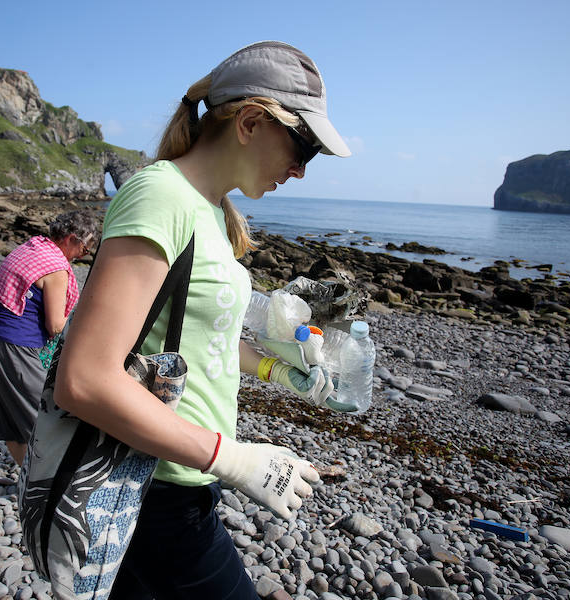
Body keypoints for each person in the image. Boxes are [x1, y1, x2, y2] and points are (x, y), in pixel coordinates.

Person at [53, 41, 351, 599]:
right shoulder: (160, 196)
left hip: (180, 474)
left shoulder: (212, 211)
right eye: (303, 147)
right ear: (251, 122)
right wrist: (234, 459)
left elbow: (198, 336)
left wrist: (277, 370)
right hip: (151, 484)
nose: (300, 171)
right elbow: (84, 379)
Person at [0, 210, 99, 466]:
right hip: (17, 349)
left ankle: (25, 480)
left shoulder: (33, 247)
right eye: (85, 248)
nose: (84, 254)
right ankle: (46, 482)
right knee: (46, 421)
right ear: (71, 238)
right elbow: (55, 325)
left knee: (10, 420)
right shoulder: (56, 268)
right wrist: (86, 326)